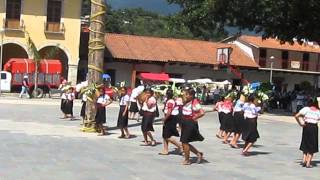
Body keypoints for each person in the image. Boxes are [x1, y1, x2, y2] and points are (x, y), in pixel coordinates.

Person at [180, 89, 205, 165]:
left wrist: (195, 117)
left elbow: (202, 112)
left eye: (187, 94)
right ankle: (198, 153)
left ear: (191, 95)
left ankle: (187, 160)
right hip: (184, 122)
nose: (185, 96)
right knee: (184, 142)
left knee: (184, 141)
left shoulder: (195, 102)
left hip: (190, 123)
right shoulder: (185, 101)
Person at [294, 99, 320, 168]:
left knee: (305, 142)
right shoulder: (318, 111)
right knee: (313, 144)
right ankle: (308, 163)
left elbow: (296, 116)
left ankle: (304, 160)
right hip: (314, 127)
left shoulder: (306, 109)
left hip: (306, 126)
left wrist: (300, 123)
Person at [159, 89, 182, 155]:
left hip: (171, 118)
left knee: (167, 136)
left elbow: (169, 112)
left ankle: (180, 146)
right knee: (164, 135)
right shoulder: (169, 101)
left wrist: (165, 119)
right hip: (169, 117)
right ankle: (165, 149)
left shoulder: (170, 101)